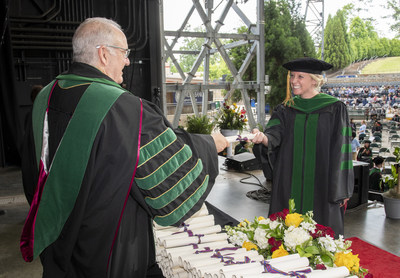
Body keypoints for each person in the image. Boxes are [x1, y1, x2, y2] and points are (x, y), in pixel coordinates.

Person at [20, 17, 229, 278]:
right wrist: (210, 143)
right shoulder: (126, 110)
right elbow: (170, 184)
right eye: (124, 53)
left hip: (57, 246)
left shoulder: (45, 96)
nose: (128, 61)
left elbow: (31, 176)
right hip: (109, 255)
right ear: (104, 54)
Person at [251, 57, 354, 237]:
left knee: (321, 238)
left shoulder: (335, 109)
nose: (293, 81)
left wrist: (342, 187)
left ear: (314, 80)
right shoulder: (285, 109)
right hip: (289, 181)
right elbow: (274, 135)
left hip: (322, 182)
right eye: (292, 76)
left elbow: (342, 150)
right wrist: (263, 138)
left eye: (300, 77)